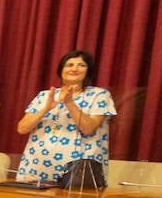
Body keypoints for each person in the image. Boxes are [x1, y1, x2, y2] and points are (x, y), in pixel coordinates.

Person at [15, 50, 115, 185]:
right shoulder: (45, 95)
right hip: (36, 166)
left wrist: (69, 103)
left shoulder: (100, 95)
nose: (74, 68)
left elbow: (88, 128)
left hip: (78, 173)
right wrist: (46, 108)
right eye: (69, 65)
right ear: (61, 70)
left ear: (88, 71)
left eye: (81, 65)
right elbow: (22, 128)